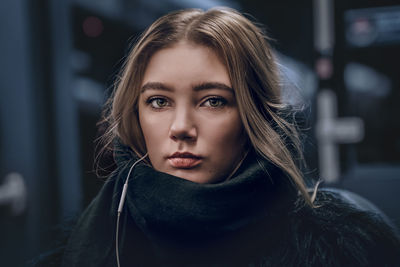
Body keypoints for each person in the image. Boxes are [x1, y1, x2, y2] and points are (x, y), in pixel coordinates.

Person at [32, 7, 400, 267]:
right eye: (158, 101)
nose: (180, 127)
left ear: (254, 116)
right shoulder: (87, 247)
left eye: (212, 101)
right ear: (135, 114)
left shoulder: (338, 251)